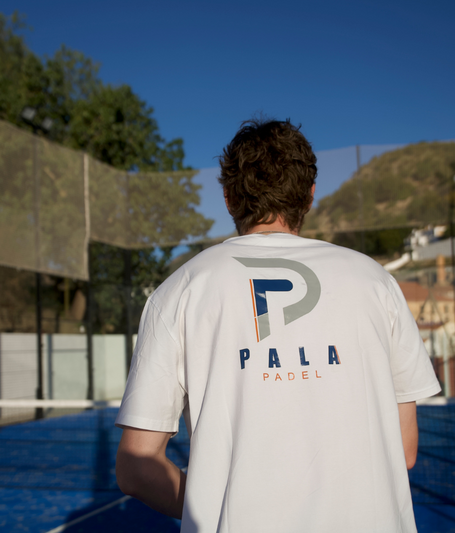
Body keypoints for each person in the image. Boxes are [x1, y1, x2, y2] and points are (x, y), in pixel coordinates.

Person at [115, 118, 440, 532]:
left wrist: (213, 505)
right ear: (310, 195)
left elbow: (137, 467)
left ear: (228, 198)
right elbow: (405, 451)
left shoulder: (178, 292)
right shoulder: (377, 282)